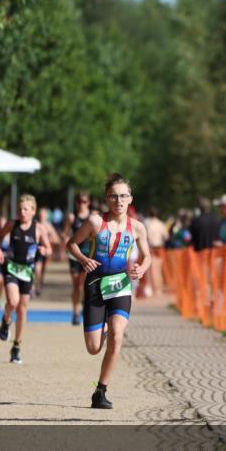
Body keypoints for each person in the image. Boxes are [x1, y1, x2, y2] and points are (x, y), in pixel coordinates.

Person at [66, 173, 151, 410]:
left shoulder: (137, 227)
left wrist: (141, 269)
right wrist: (83, 259)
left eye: (123, 196)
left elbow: (148, 256)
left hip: (120, 285)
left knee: (117, 336)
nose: (119, 201)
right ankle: (101, 327)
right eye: (114, 196)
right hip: (95, 285)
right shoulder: (95, 222)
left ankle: (100, 391)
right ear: (107, 199)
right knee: (93, 348)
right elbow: (71, 243)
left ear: (131, 199)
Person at [0, 195, 52, 364]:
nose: (22, 212)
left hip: (27, 271)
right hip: (11, 267)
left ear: (33, 211)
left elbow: (49, 249)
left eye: (26, 209)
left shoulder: (39, 229)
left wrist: (43, 249)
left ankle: (16, 346)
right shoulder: (12, 224)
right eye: (20, 209)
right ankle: (5, 321)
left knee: (22, 309)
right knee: (12, 301)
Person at [63, 192, 93, 325]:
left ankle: (85, 307)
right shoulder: (72, 217)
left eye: (84, 201)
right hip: (75, 256)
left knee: (85, 285)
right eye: (80, 201)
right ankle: (75, 313)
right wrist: (65, 241)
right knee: (76, 285)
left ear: (89, 203)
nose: (82, 204)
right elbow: (64, 233)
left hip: (88, 256)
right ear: (76, 203)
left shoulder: (92, 217)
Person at [140, 207, 169, 298]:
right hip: (159, 247)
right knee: (158, 269)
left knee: (149, 269)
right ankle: (158, 290)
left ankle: (150, 288)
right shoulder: (160, 224)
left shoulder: (146, 222)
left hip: (149, 247)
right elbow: (166, 236)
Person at [34, 207, 61, 297]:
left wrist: (49, 239)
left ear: (46, 216)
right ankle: (36, 287)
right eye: (40, 214)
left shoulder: (49, 226)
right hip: (37, 250)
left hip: (46, 251)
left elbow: (57, 240)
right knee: (37, 269)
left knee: (42, 271)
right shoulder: (35, 225)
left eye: (44, 214)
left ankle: (39, 285)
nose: (42, 216)